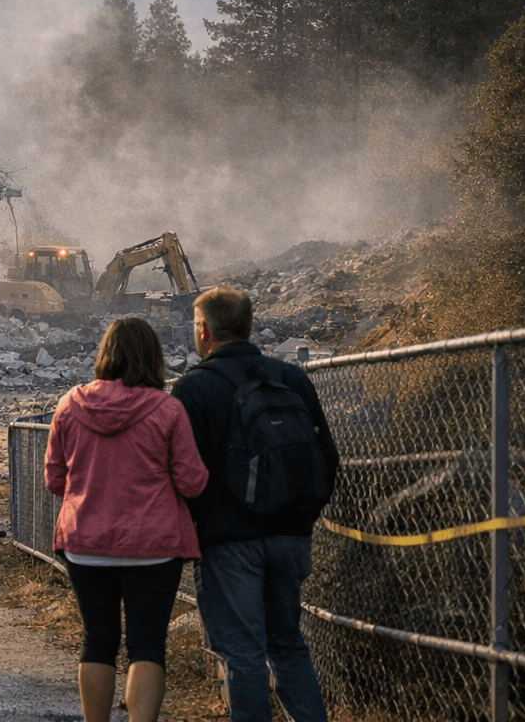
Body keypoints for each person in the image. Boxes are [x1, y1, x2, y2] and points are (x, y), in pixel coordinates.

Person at [171, 286, 339, 722]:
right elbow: (327, 458)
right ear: (247, 326)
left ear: (204, 331)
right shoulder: (292, 378)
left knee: (242, 653)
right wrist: (301, 519)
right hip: (291, 536)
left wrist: (201, 525)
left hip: (228, 543)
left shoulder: (194, 389)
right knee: (287, 644)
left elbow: (185, 474)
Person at [45, 316, 208, 722]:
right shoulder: (168, 410)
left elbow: (53, 479)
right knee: (147, 645)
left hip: (86, 545)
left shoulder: (70, 404)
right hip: (153, 547)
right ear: (152, 357)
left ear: (105, 354)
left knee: (97, 641)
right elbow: (191, 482)